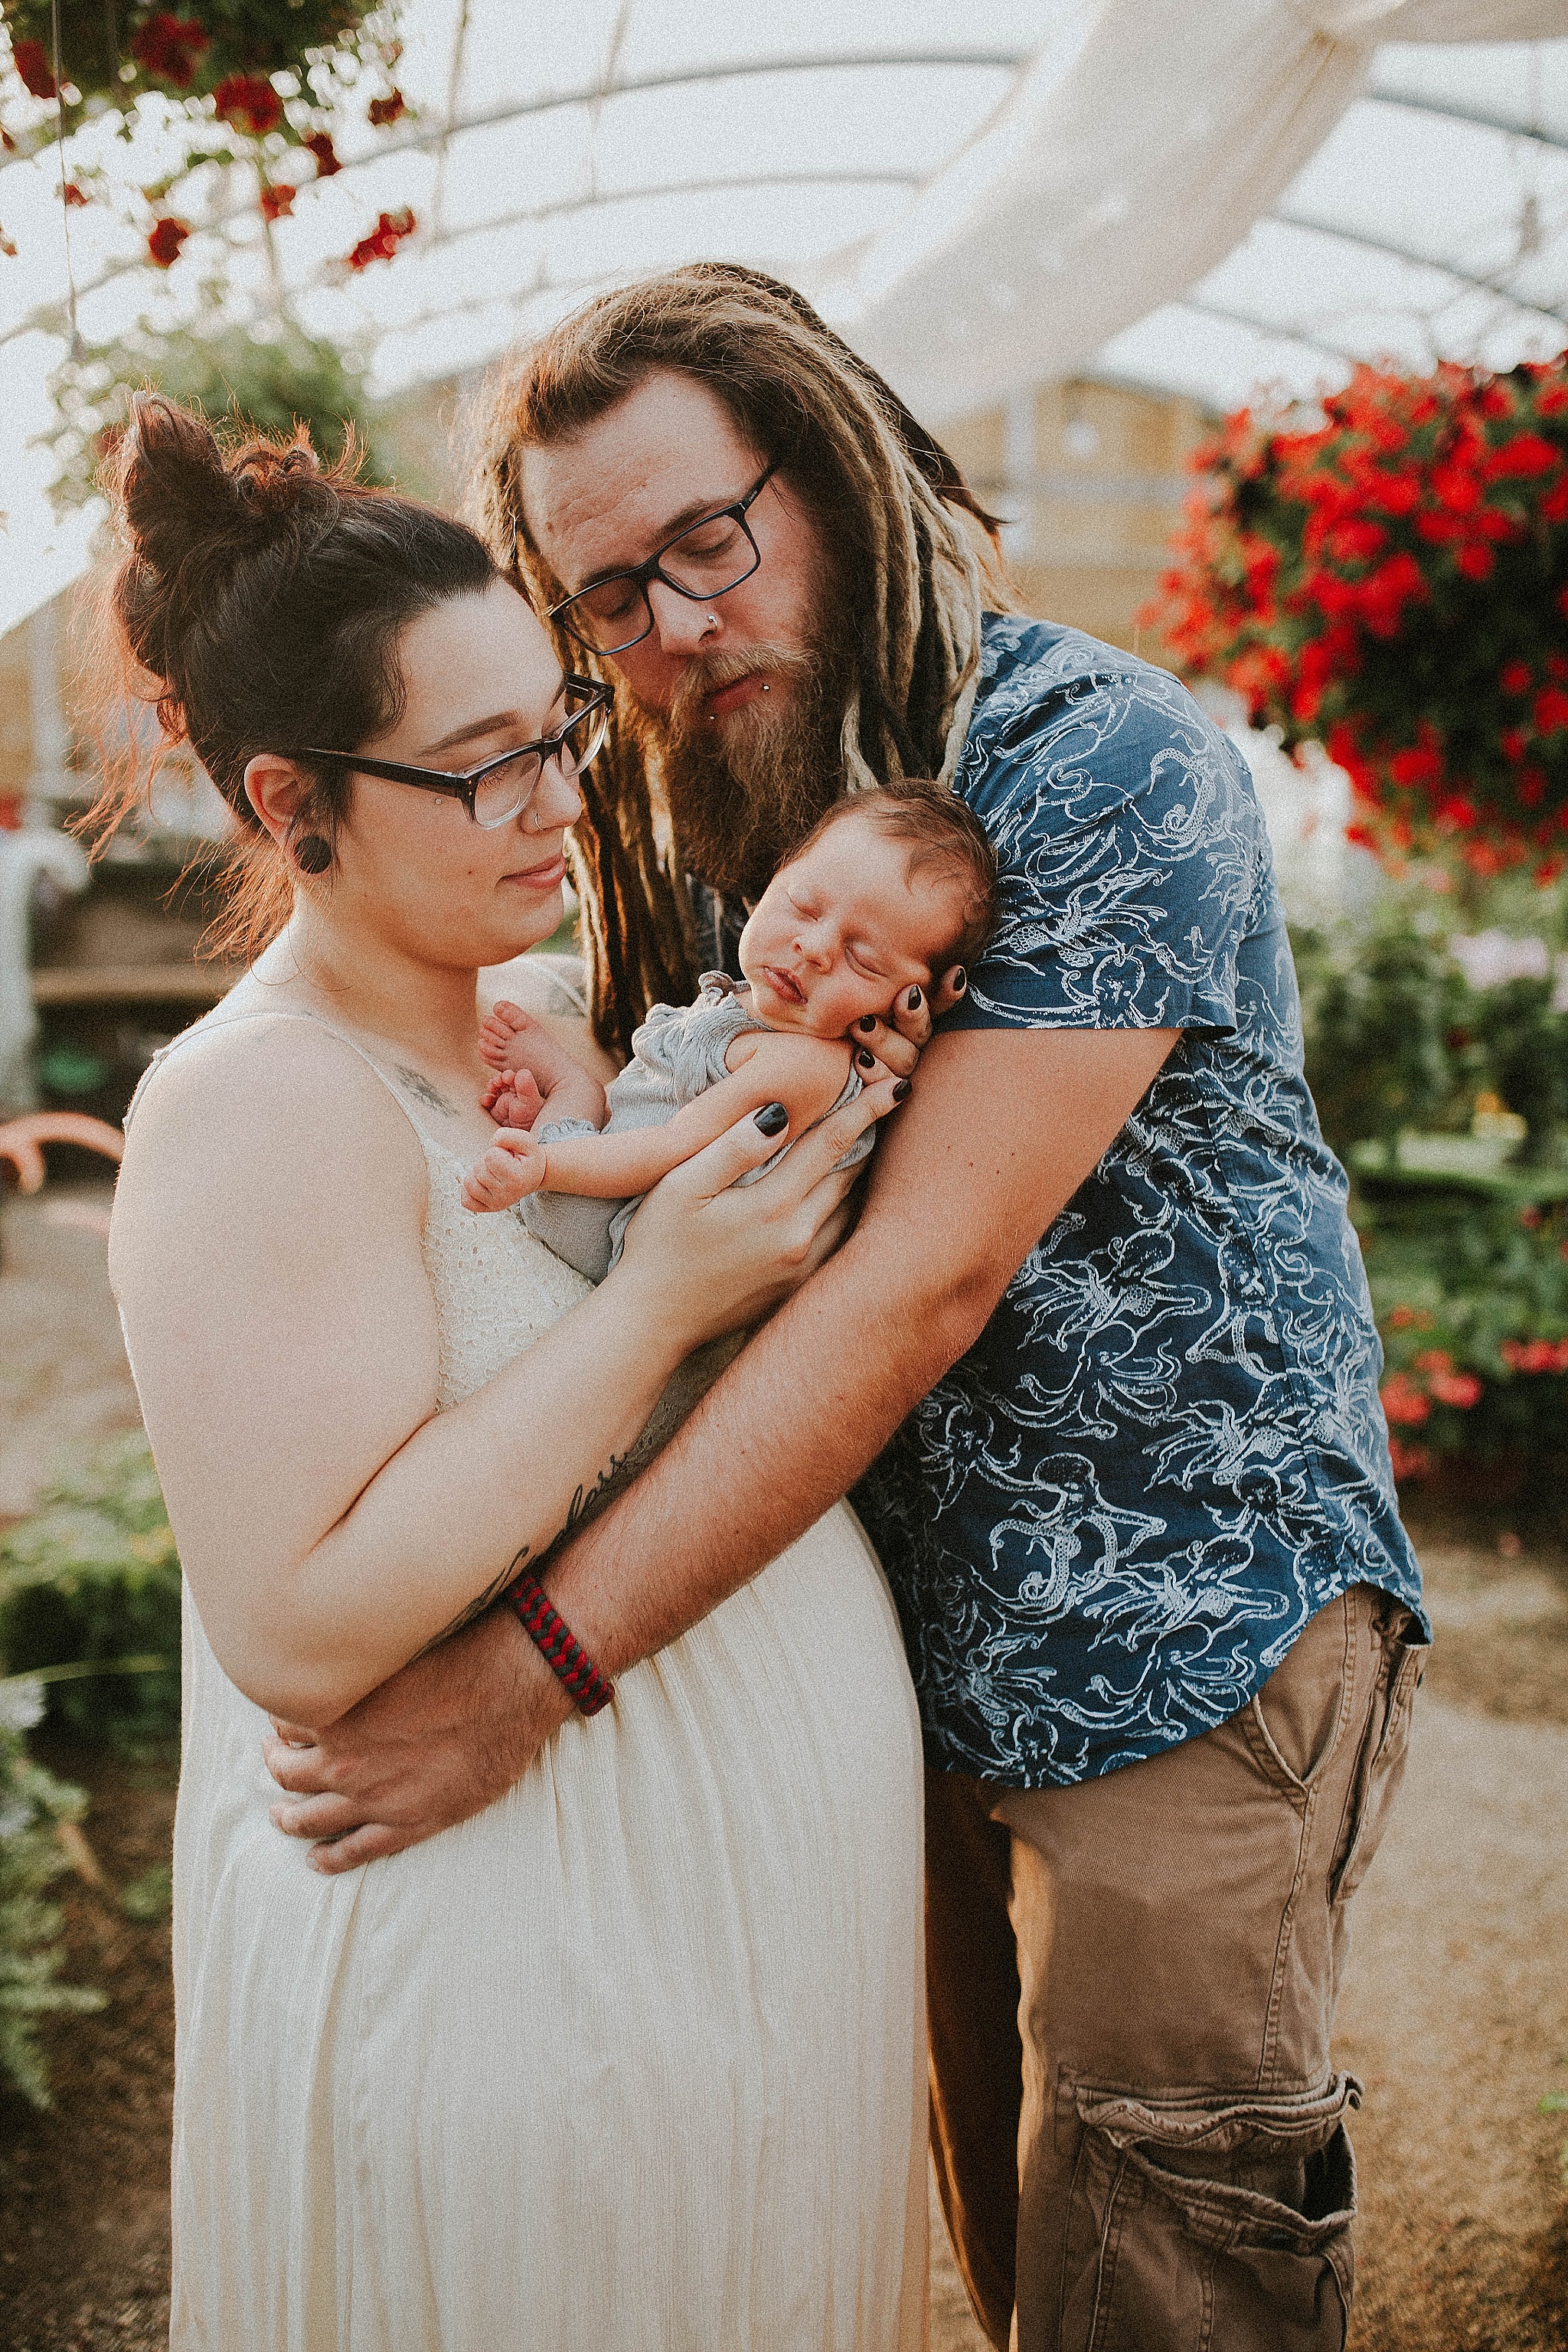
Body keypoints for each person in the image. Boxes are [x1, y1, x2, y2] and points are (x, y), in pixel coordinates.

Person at [266, 266, 1431, 2352]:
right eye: (601, 598)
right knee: (993, 2238)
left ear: (849, 461)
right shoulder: (721, 800)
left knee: (1167, 2249)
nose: (668, 629)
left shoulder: (1096, 767)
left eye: (704, 544)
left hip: (1192, 1623)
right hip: (902, 1639)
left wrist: (535, 1667)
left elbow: (913, 1285)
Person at [104, 394, 929, 2350]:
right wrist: (660, 1295)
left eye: (554, 723)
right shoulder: (257, 1101)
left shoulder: (541, 1022)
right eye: (482, 767)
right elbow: (301, 1622)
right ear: (291, 803)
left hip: (718, 1965)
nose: (563, 796)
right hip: (521, 1987)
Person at [462, 788, 997, 1278]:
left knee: (570, 1139)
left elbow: (672, 1146)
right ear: (774, 880)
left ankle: (559, 1103)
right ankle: (559, 1105)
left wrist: (545, 1166)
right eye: (803, 905)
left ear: (908, 1005)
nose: (814, 948)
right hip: (616, 1167)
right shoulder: (755, 1002)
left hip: (619, 1231)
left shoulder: (804, 1065)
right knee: (593, 1103)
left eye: (863, 959)